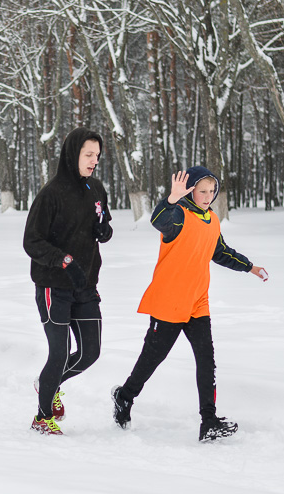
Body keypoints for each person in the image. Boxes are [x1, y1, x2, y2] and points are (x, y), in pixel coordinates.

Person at [111, 167, 268, 442]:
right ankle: (124, 397)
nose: (207, 196)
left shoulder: (212, 220)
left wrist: (250, 267)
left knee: (207, 360)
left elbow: (220, 252)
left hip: (197, 302)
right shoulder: (178, 216)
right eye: (202, 191)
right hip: (169, 301)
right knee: (152, 359)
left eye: (211, 191)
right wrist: (171, 200)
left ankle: (209, 421)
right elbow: (159, 221)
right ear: (191, 191)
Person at [23, 127, 112, 436]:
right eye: (88, 155)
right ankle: (42, 417)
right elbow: (31, 242)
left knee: (91, 352)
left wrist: (105, 231)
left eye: (97, 156)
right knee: (59, 353)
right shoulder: (51, 194)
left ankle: (49, 383)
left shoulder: (96, 188)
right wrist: (63, 260)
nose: (93, 161)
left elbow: (103, 221)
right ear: (72, 154)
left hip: (85, 285)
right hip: (53, 286)